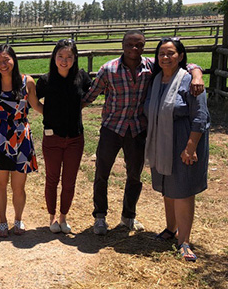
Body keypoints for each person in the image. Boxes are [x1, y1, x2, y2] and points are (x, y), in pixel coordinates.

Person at [83, 30, 204, 235]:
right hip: (112, 128)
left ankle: (128, 216)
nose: (134, 49)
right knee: (102, 173)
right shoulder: (108, 69)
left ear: (144, 47)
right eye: (130, 44)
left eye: (139, 45)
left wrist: (197, 74)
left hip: (138, 130)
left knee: (135, 175)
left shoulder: (151, 67)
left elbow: (185, 64)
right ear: (122, 45)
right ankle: (100, 217)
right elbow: (90, 95)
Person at [144, 37, 210, 262]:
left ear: (180, 56)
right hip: (161, 143)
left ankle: (184, 241)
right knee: (168, 187)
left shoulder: (190, 81)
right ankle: (170, 229)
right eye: (161, 53)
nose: (165, 57)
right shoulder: (155, 80)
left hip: (183, 142)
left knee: (182, 190)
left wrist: (191, 147)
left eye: (171, 53)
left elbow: (201, 116)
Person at [0, 44, 42, 237]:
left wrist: (59, 114)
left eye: (6, 59)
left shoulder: (27, 82)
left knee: (19, 186)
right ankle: (2, 222)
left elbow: (36, 106)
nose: (3, 64)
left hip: (21, 138)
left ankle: (18, 219)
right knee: (0, 183)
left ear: (14, 60)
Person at [36, 39, 91, 234]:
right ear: (54, 57)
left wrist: (76, 109)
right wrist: (49, 114)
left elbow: (88, 96)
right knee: (52, 179)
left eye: (68, 57)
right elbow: (33, 102)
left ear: (75, 58)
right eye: (60, 56)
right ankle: (51, 218)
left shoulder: (81, 77)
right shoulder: (45, 80)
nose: (64, 61)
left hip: (75, 138)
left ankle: (63, 217)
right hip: (52, 138)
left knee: (69, 181)